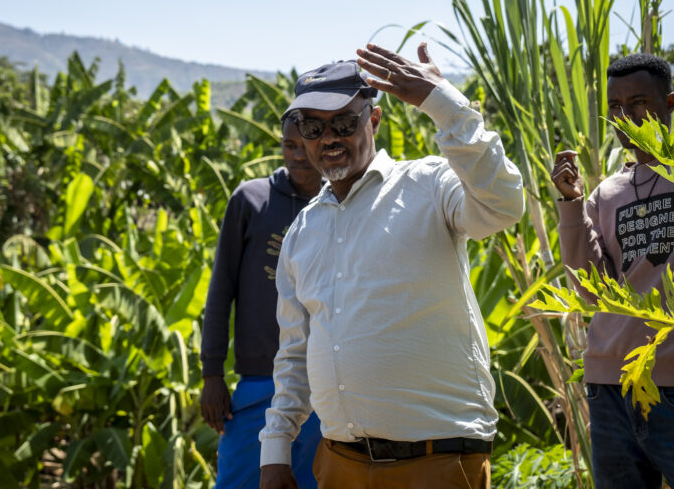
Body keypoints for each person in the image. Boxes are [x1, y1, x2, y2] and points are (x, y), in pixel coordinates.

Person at [259, 44, 524, 489]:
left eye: (344, 122)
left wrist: (443, 102)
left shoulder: (430, 184)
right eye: (311, 127)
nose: (329, 138)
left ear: (374, 120)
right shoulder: (303, 231)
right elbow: (296, 353)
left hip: (436, 461)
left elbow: (503, 205)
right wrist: (275, 450)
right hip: (339, 464)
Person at [551, 53, 674, 489]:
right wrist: (570, 203)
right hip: (610, 389)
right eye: (616, 105)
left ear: (669, 103)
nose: (626, 115)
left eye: (639, 101)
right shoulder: (606, 194)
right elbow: (594, 290)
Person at [200, 117, 324, 488]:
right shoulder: (251, 200)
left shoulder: (341, 204)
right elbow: (221, 291)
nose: (299, 155)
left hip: (323, 382)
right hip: (258, 380)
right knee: (240, 478)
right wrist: (212, 374)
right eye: (289, 145)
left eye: (306, 145)